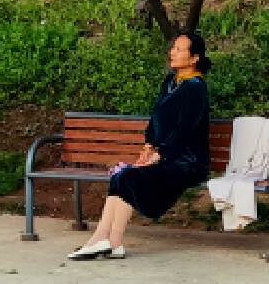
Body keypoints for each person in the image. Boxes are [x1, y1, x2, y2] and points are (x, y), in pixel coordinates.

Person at [69, 30, 212, 260]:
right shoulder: (171, 82)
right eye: (173, 48)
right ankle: (106, 241)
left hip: (187, 162)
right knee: (121, 176)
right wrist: (148, 145)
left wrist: (160, 154)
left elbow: (185, 130)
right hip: (164, 156)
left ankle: (107, 241)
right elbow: (156, 118)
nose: (172, 52)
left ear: (194, 58)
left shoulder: (195, 87)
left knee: (129, 178)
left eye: (179, 49)